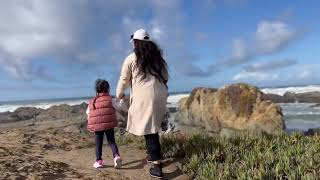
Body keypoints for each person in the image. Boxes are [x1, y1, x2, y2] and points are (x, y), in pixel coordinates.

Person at [116, 29, 169, 179]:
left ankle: (157, 166)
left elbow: (123, 79)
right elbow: (166, 77)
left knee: (150, 130)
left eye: (134, 42)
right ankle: (152, 155)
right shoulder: (158, 58)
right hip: (160, 96)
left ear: (136, 42)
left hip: (144, 98)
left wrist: (119, 94)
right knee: (151, 127)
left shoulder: (131, 58)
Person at [86, 79, 122, 169]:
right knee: (111, 141)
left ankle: (99, 161)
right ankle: (116, 156)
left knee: (98, 143)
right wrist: (121, 100)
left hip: (97, 126)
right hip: (109, 124)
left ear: (96, 89)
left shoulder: (92, 101)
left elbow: (88, 113)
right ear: (108, 89)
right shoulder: (111, 99)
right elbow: (118, 107)